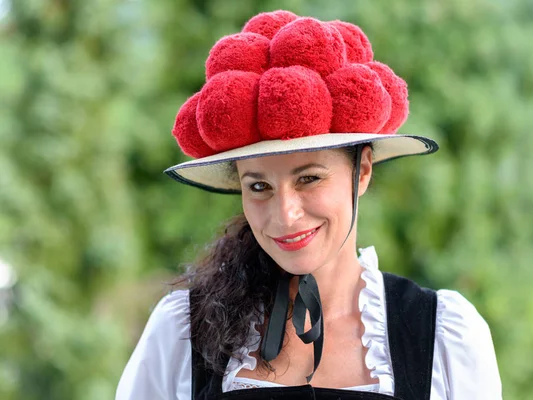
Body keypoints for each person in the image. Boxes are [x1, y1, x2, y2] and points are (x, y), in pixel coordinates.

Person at [116, 10, 502, 400]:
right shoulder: (183, 331)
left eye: (309, 178)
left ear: (362, 170)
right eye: (260, 186)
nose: (285, 214)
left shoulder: (440, 335)